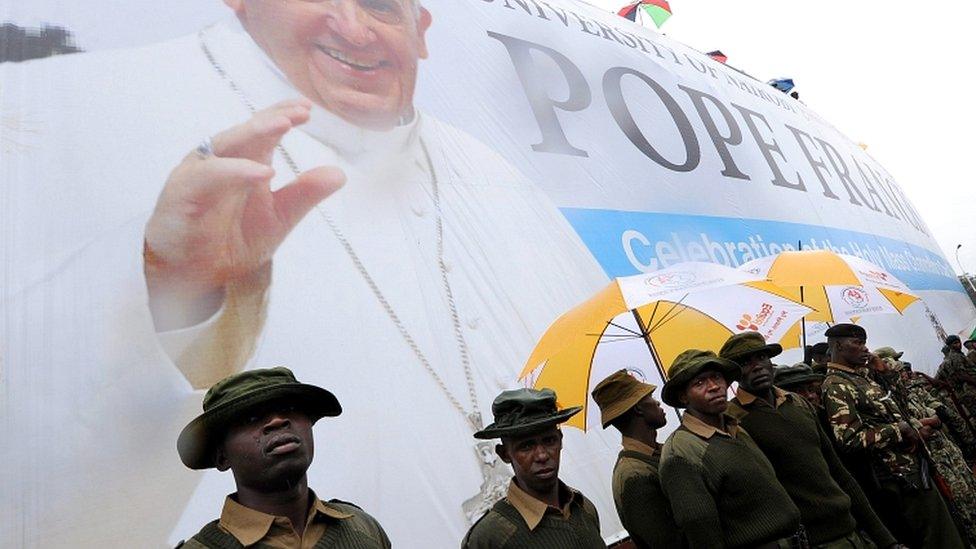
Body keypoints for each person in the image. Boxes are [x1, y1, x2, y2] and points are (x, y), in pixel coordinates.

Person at [0, 1, 616, 545]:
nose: (352, 27)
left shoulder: (495, 177)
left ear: (421, 30)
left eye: (380, 6)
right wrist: (172, 290)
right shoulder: (49, 108)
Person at [175, 366, 390, 548]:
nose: (277, 421)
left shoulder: (363, 528)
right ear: (222, 456)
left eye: (290, 408)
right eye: (251, 417)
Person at [720, 332, 899, 548]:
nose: (757, 366)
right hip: (809, 541)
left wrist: (886, 540)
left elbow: (839, 472)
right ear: (734, 374)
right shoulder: (733, 420)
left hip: (851, 532)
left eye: (762, 358)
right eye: (745, 362)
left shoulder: (797, 403)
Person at [822, 323, 965, 548]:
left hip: (915, 467)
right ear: (839, 346)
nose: (865, 349)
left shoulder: (862, 377)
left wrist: (885, 373)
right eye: (857, 343)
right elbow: (848, 439)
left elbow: (901, 407)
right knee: (938, 539)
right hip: (897, 477)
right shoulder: (837, 385)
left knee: (947, 530)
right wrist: (901, 430)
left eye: (864, 343)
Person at [659, 349, 802, 549]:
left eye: (716, 377)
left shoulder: (735, 428)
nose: (714, 387)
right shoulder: (682, 451)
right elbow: (702, 533)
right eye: (699, 383)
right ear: (683, 396)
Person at [461, 388, 604, 548]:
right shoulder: (490, 538)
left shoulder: (583, 508)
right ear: (504, 454)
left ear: (560, 440)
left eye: (549, 441)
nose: (542, 455)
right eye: (526, 446)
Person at [872, 349, 976, 546]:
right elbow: (906, 424)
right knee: (958, 505)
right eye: (893, 365)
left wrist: (926, 421)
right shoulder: (886, 397)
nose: (899, 370)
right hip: (931, 460)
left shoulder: (910, 389)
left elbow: (936, 413)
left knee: (969, 491)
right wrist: (921, 425)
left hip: (947, 452)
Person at [591, 369, 684, 549]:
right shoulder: (634, 476)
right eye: (649, 397)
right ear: (638, 408)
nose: (657, 401)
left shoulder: (661, 452)